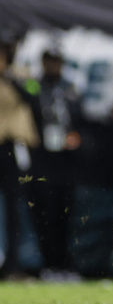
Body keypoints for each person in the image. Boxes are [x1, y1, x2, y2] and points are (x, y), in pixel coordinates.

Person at [25, 47, 83, 282]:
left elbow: (79, 118)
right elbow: (26, 100)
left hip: (66, 160)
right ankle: (49, 264)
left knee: (66, 212)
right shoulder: (34, 86)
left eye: (56, 61)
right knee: (44, 213)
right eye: (49, 61)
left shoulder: (69, 88)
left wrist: (76, 137)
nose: (53, 66)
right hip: (42, 159)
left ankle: (64, 264)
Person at [0, 30, 39, 278]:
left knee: (15, 207)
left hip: (13, 146)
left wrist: (10, 77)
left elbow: (34, 93)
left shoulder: (21, 75)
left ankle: (13, 263)